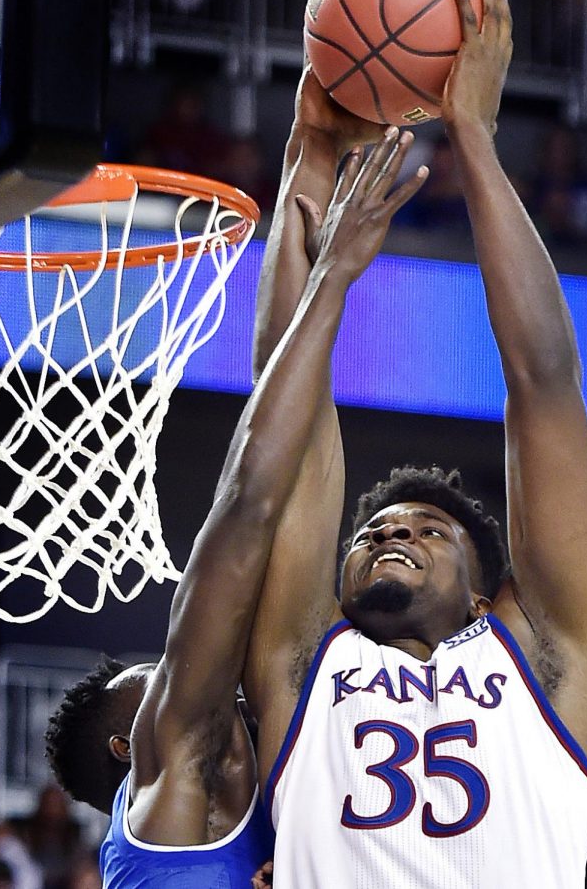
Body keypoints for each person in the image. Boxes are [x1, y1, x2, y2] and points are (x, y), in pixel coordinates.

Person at [241, 0, 587, 886]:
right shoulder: (302, 656)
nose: (390, 533)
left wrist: (476, 142)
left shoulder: (545, 656)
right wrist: (310, 162)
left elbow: (548, 384)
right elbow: (284, 412)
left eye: (426, 531)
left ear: (490, 599)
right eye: (375, 532)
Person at [43, 131, 428, 886]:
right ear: (134, 749)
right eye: (162, 679)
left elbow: (281, 466)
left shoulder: (254, 801)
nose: (195, 668)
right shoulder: (172, 795)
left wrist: (309, 159)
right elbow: (253, 496)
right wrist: (334, 276)